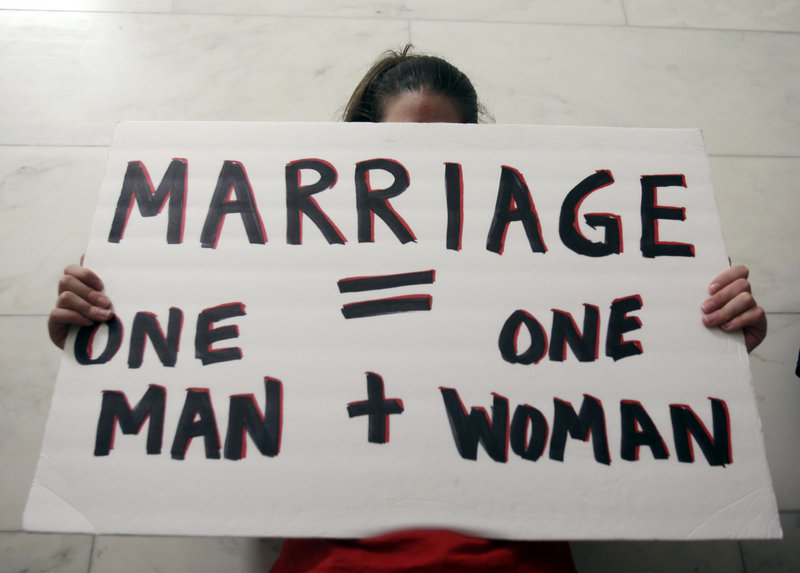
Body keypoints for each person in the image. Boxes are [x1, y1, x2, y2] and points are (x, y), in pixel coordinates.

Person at [47, 46, 768, 572]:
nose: (419, 176)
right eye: (400, 149)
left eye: (446, 152)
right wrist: (99, 331)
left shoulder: (539, 266)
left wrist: (715, 337)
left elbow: (629, 375)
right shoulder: (289, 265)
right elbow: (192, 387)